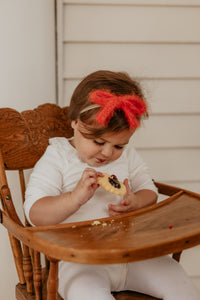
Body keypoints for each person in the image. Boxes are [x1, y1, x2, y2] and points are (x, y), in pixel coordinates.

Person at [24, 70, 199, 300]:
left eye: (119, 146)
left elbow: (150, 192)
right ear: (75, 122)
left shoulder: (128, 158)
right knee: (88, 294)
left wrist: (136, 201)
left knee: (182, 288)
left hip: (133, 253)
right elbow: (35, 213)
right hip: (80, 262)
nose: (107, 153)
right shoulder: (58, 157)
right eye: (98, 141)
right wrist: (74, 198)